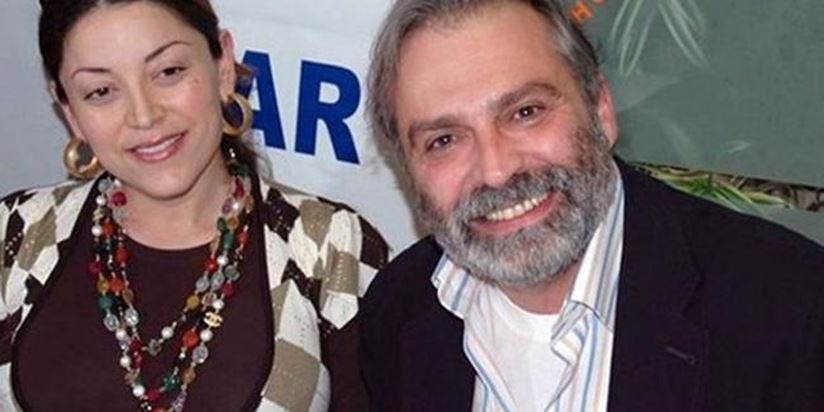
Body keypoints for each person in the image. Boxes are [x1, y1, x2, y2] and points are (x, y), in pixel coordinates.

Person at [360, 0, 824, 411]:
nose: (496, 170)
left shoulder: (792, 312)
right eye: (444, 140)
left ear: (601, 110)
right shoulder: (398, 308)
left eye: (525, 112)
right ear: (408, 168)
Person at [0, 1, 387, 411]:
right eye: (101, 91)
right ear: (69, 111)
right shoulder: (18, 234)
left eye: (168, 71)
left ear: (223, 67)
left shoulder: (332, 248)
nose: (144, 116)